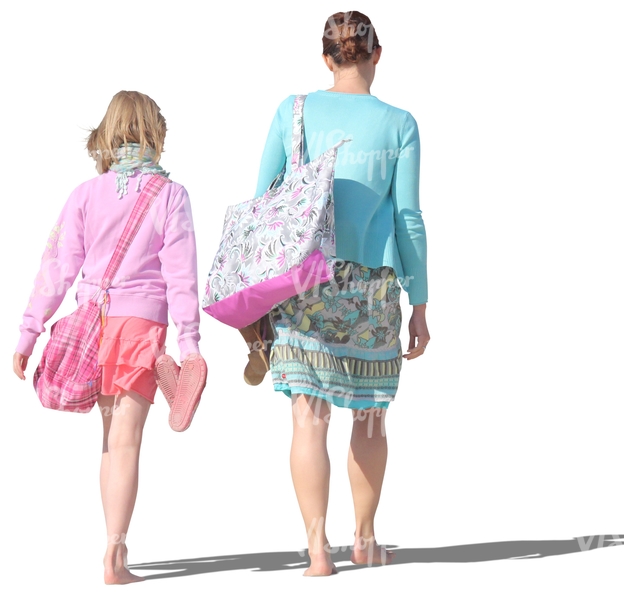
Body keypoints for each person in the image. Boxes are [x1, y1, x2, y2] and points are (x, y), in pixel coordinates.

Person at [254, 12, 429, 576]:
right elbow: (408, 218)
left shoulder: (292, 111)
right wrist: (420, 301)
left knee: (308, 418)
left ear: (326, 58)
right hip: (372, 287)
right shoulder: (400, 123)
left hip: (305, 281)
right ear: (378, 54)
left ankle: (315, 552)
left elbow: (263, 205)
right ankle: (364, 538)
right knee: (370, 417)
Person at [12, 91, 206, 584]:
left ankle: (113, 552)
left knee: (108, 439)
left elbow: (56, 267)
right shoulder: (172, 195)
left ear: (108, 132)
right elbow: (180, 276)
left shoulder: (84, 194)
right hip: (141, 327)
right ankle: (116, 556)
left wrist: (29, 331)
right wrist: (189, 345)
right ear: (155, 133)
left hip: (93, 328)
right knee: (127, 441)